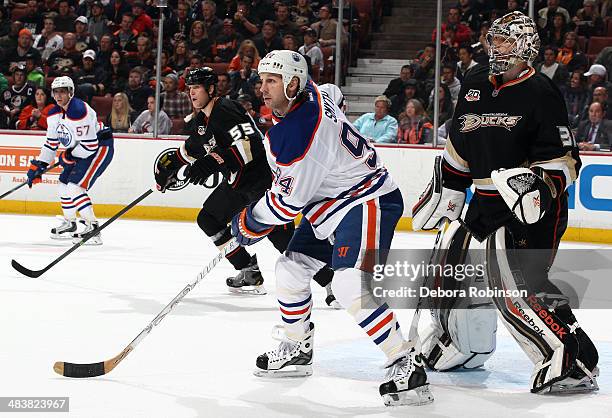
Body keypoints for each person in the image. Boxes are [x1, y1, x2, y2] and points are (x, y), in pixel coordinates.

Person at [228, 50, 430, 407]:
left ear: (292, 84)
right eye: (262, 80)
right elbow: (334, 92)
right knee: (289, 270)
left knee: (349, 283)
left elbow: (287, 204)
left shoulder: (299, 132)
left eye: (272, 81)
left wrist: (250, 221)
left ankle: (405, 360)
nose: (263, 88)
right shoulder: (314, 93)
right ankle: (298, 346)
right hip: (329, 205)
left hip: (367, 198)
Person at [412, 11, 598, 394]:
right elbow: (461, 143)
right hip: (481, 202)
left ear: (526, 46)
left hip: (528, 210)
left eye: (506, 41)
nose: (496, 48)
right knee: (446, 269)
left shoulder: (542, 93)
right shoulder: (475, 81)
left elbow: (565, 160)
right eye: (494, 40)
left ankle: (568, 358)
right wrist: (447, 186)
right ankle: (463, 345)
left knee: (514, 286)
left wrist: (536, 187)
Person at [153, 66, 337, 303]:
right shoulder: (203, 120)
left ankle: (330, 280)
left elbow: (250, 146)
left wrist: (212, 162)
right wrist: (168, 167)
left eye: (197, 87)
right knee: (208, 218)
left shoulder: (226, 110)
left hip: (262, 182)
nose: (192, 93)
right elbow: (192, 148)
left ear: (210, 88)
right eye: (189, 88)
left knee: (283, 240)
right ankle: (248, 269)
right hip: (238, 183)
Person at [26, 76, 114, 245]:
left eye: (63, 91)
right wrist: (40, 164)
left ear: (71, 92)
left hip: (100, 147)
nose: (59, 95)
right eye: (56, 92)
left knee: (75, 187)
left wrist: (69, 156)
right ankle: (70, 223)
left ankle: (93, 228)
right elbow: (51, 143)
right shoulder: (53, 113)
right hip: (80, 149)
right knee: (62, 185)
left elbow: (89, 146)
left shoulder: (78, 110)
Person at [0, 65, 36, 129]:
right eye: (17, 74)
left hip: (24, 117)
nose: (19, 77)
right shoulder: (7, 92)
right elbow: (2, 103)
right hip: (8, 117)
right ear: (13, 76)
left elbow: (32, 102)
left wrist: (18, 109)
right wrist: (5, 107)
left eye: (21, 75)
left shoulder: (30, 89)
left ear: (25, 77)